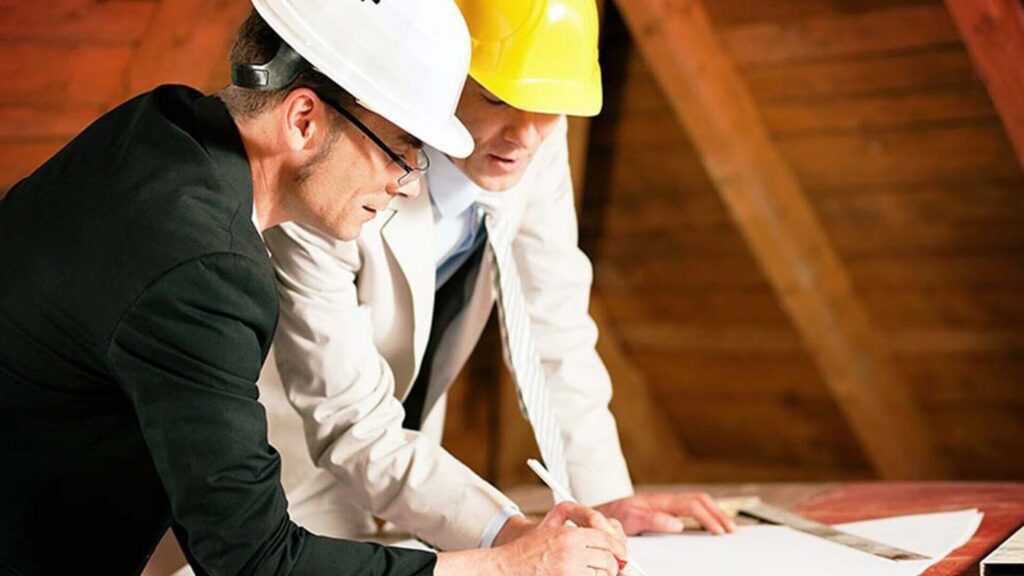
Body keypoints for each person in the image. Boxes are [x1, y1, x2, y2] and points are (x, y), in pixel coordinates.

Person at [0, 1, 626, 574]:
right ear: (302, 120)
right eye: (402, 150)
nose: (409, 186)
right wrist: (507, 567)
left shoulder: (160, 128)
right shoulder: (204, 270)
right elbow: (256, 562)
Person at [261, 0, 736, 554]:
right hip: (290, 480)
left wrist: (603, 503)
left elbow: (554, 324)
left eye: (551, 107)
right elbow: (348, 422)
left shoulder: (533, 141)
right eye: (496, 99)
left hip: (415, 493)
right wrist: (508, 533)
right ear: (437, 70)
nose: (526, 137)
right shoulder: (332, 167)